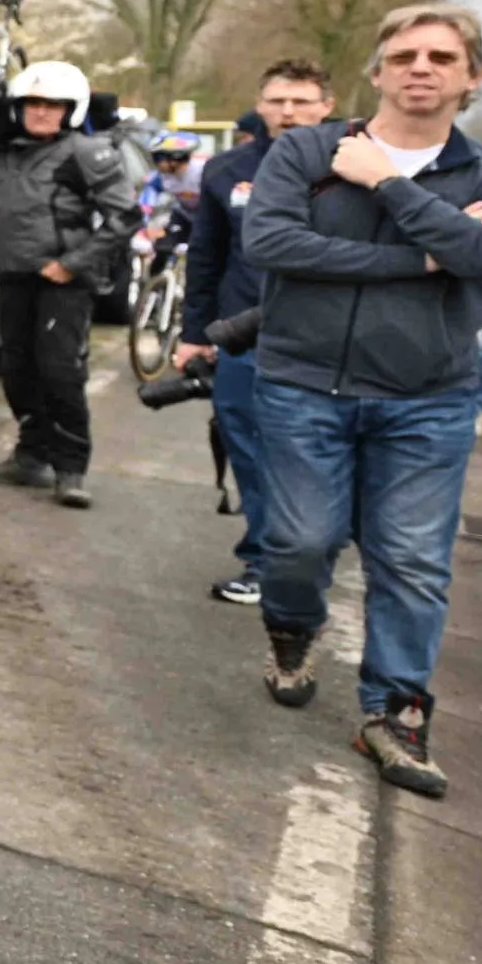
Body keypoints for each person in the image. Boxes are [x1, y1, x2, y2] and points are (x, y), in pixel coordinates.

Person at [240, 6, 482, 797]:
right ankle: (292, 628)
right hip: (305, 384)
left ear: (471, 77)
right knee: (299, 543)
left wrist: (391, 185)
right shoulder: (307, 147)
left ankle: (394, 713)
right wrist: (422, 258)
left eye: (443, 56)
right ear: (376, 72)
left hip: (426, 400)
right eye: (403, 54)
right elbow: (270, 245)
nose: (421, 67)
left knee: (410, 561)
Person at [180, 60, 339, 605]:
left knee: (311, 454)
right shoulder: (227, 169)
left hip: (327, 340)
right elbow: (206, 256)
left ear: (326, 106)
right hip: (241, 336)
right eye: (277, 101)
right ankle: (264, 560)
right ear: (261, 104)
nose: (288, 112)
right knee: (246, 446)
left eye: (300, 101)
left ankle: (307, 551)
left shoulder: (354, 166)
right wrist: (194, 332)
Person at [0, 59, 132, 510]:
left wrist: (73, 264)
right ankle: (30, 455)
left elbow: (125, 217)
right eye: (32, 103)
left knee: (60, 372)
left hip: (63, 282)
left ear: (70, 109)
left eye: (52, 105)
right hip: (14, 275)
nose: (41, 112)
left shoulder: (85, 153)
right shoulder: (3, 153)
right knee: (17, 371)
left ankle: (70, 468)